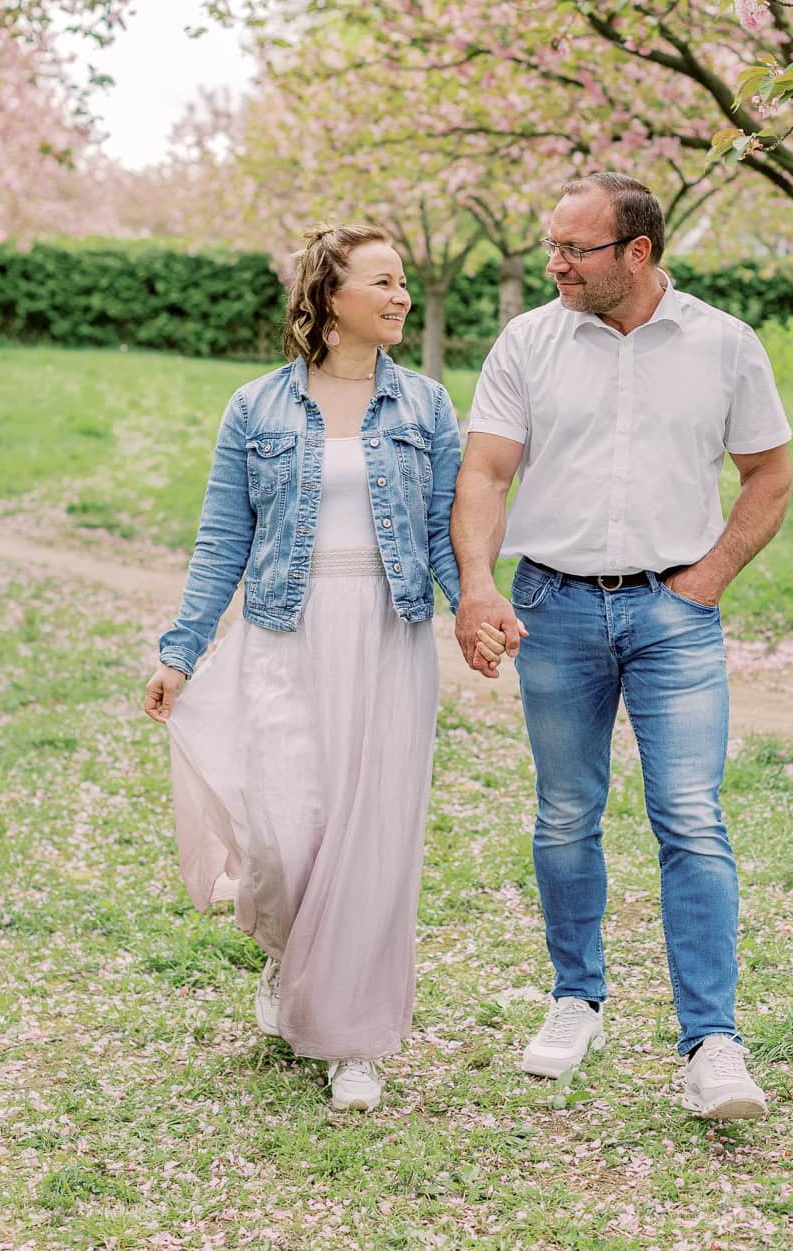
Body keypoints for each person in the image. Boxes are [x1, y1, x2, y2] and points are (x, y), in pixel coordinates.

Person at [450, 172, 793, 1122]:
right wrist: (478, 582)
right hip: (552, 606)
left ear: (636, 254)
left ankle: (711, 1041)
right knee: (566, 812)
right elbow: (485, 468)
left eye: (574, 249)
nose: (554, 263)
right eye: (552, 245)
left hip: (674, 613)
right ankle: (576, 998)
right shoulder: (528, 340)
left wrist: (711, 577)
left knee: (690, 815)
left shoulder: (724, 343)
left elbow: (769, 475)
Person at [143, 224, 504, 1113]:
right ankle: (285, 954)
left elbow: (445, 531)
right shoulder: (256, 408)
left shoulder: (423, 405)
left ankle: (354, 1039)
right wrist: (181, 650)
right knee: (284, 830)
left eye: (405, 281)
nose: (402, 295)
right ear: (330, 296)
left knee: (373, 841)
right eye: (383, 280)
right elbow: (224, 538)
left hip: (387, 635)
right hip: (284, 633)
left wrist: (474, 604)